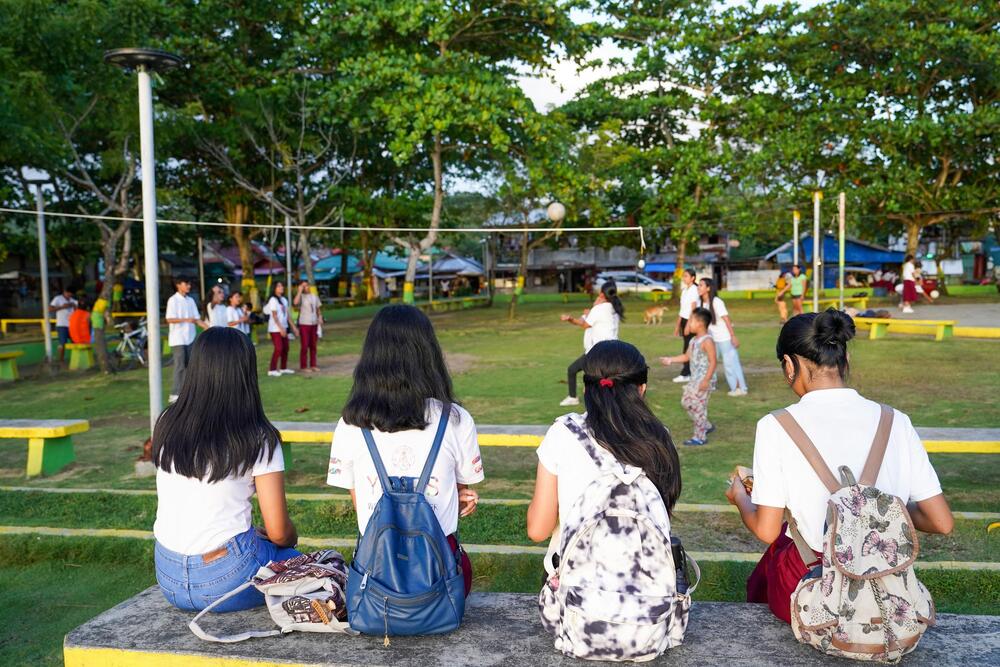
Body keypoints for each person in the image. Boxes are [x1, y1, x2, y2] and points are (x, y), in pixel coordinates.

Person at [725, 309, 954, 624]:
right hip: (885, 587)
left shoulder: (775, 425)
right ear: (844, 359)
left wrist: (740, 496)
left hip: (816, 591)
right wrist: (879, 508)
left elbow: (765, 528)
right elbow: (941, 520)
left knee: (777, 551)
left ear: (790, 366)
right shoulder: (895, 421)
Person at [326, 305, 483, 597]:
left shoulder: (351, 423)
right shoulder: (455, 419)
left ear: (371, 358)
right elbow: (460, 488)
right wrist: (453, 496)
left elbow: (362, 503)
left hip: (377, 575)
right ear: (428, 354)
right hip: (440, 573)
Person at [152, 327, 299, 612]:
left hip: (168, 575)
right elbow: (279, 532)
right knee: (306, 562)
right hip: (226, 576)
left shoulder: (166, 422)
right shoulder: (258, 436)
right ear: (246, 374)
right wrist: (288, 540)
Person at [527, 338, 681, 562]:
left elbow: (538, 530)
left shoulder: (563, 433)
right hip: (647, 585)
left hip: (576, 585)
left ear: (586, 388)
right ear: (641, 389)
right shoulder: (659, 438)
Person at [558, 280, 624, 407]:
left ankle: (575, 398)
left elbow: (585, 325)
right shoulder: (614, 308)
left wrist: (570, 319)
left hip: (598, 351)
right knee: (604, 378)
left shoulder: (599, 309)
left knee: (580, 373)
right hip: (613, 350)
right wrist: (590, 312)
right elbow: (592, 320)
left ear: (601, 294)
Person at [661, 307, 717, 445]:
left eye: (691, 320)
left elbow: (713, 361)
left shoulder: (707, 341)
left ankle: (700, 437)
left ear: (700, 323)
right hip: (695, 379)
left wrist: (706, 380)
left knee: (698, 406)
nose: (689, 323)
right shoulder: (693, 341)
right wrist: (671, 359)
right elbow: (687, 356)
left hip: (704, 380)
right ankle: (706, 425)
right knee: (686, 402)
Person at [698, 277, 748, 396]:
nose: (698, 288)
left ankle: (740, 388)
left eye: (701, 285)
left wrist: (733, 336)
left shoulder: (716, 302)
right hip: (712, 338)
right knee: (710, 362)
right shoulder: (703, 303)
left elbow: (726, 319)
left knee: (730, 363)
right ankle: (709, 384)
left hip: (725, 338)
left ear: (708, 288)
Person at [165, 277, 207, 402]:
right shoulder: (173, 300)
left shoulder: (190, 300)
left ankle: (188, 392)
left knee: (190, 366)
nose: (188, 286)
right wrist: (185, 320)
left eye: (189, 283)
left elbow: (196, 319)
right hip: (178, 339)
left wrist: (209, 328)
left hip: (190, 338)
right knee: (180, 366)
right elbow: (169, 319)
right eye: (186, 283)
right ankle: (175, 393)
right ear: (178, 285)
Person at [264, 281, 298, 377]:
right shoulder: (273, 300)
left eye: (282, 285)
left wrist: (294, 328)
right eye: (279, 286)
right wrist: (281, 329)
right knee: (279, 348)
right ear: (274, 288)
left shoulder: (284, 300)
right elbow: (274, 316)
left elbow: (287, 316)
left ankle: (283, 368)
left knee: (286, 348)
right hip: (275, 328)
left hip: (284, 327)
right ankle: (272, 369)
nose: (281, 287)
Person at [672, 268, 700, 383]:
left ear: (693, 278)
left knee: (689, 347)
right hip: (684, 320)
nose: (684, 278)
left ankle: (686, 373)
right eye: (683, 276)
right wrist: (678, 326)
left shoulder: (694, 290)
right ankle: (689, 372)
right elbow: (682, 309)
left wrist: (689, 325)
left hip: (691, 321)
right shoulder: (684, 291)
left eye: (686, 276)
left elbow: (693, 309)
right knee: (687, 346)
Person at [293, 279, 323, 372]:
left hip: (314, 323)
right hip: (304, 323)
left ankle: (313, 364)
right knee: (305, 345)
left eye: (307, 285)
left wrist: (320, 317)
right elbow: (295, 303)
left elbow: (318, 309)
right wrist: (299, 291)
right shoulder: (301, 297)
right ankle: (303, 366)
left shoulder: (314, 296)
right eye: (304, 286)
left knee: (313, 345)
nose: (307, 287)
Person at [50, 286, 78, 363]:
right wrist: (62, 307)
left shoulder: (74, 301)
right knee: (62, 343)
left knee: (76, 342)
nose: (69, 295)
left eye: (70, 294)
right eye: (68, 293)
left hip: (72, 325)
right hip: (62, 324)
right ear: (64, 292)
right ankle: (61, 360)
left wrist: (74, 306)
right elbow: (50, 309)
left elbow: (77, 312)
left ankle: (76, 359)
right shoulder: (58, 299)